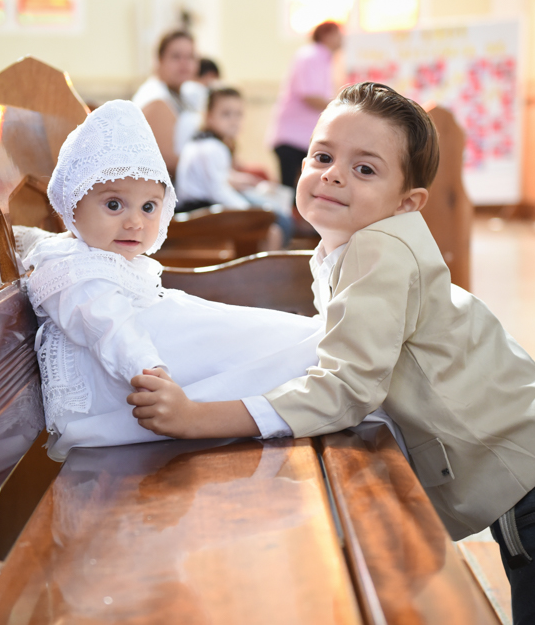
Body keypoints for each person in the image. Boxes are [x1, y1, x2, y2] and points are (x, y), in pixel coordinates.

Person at [128, 83, 535, 624]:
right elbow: (343, 353)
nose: (334, 174)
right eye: (323, 156)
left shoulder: (377, 251)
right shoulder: (346, 247)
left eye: (365, 169)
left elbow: (346, 388)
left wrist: (203, 414)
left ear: (407, 203)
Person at [22, 100, 391, 462]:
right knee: (248, 350)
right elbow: (108, 327)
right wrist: (150, 373)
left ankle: (328, 350)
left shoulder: (101, 259)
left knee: (248, 335)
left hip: (161, 342)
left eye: (149, 207)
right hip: (136, 374)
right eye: (114, 205)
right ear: (71, 202)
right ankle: (334, 357)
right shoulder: (69, 266)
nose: (135, 222)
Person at [176, 87, 294, 243]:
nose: (234, 120)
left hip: (204, 209)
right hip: (198, 213)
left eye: (238, 114)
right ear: (208, 116)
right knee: (277, 222)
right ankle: (265, 266)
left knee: (274, 214)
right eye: (226, 114)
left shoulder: (203, 143)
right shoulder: (212, 148)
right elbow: (218, 191)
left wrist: (247, 182)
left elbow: (218, 178)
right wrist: (250, 212)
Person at [266, 21, 342, 190]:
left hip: (301, 138)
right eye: (339, 34)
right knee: (292, 190)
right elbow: (309, 95)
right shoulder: (311, 55)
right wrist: (341, 108)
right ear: (326, 35)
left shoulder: (324, 59)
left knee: (303, 190)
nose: (342, 39)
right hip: (292, 137)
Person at [132, 30, 201, 177]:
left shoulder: (183, 93)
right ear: (159, 60)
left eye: (190, 57)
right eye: (176, 57)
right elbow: (164, 161)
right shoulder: (156, 99)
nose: (184, 63)